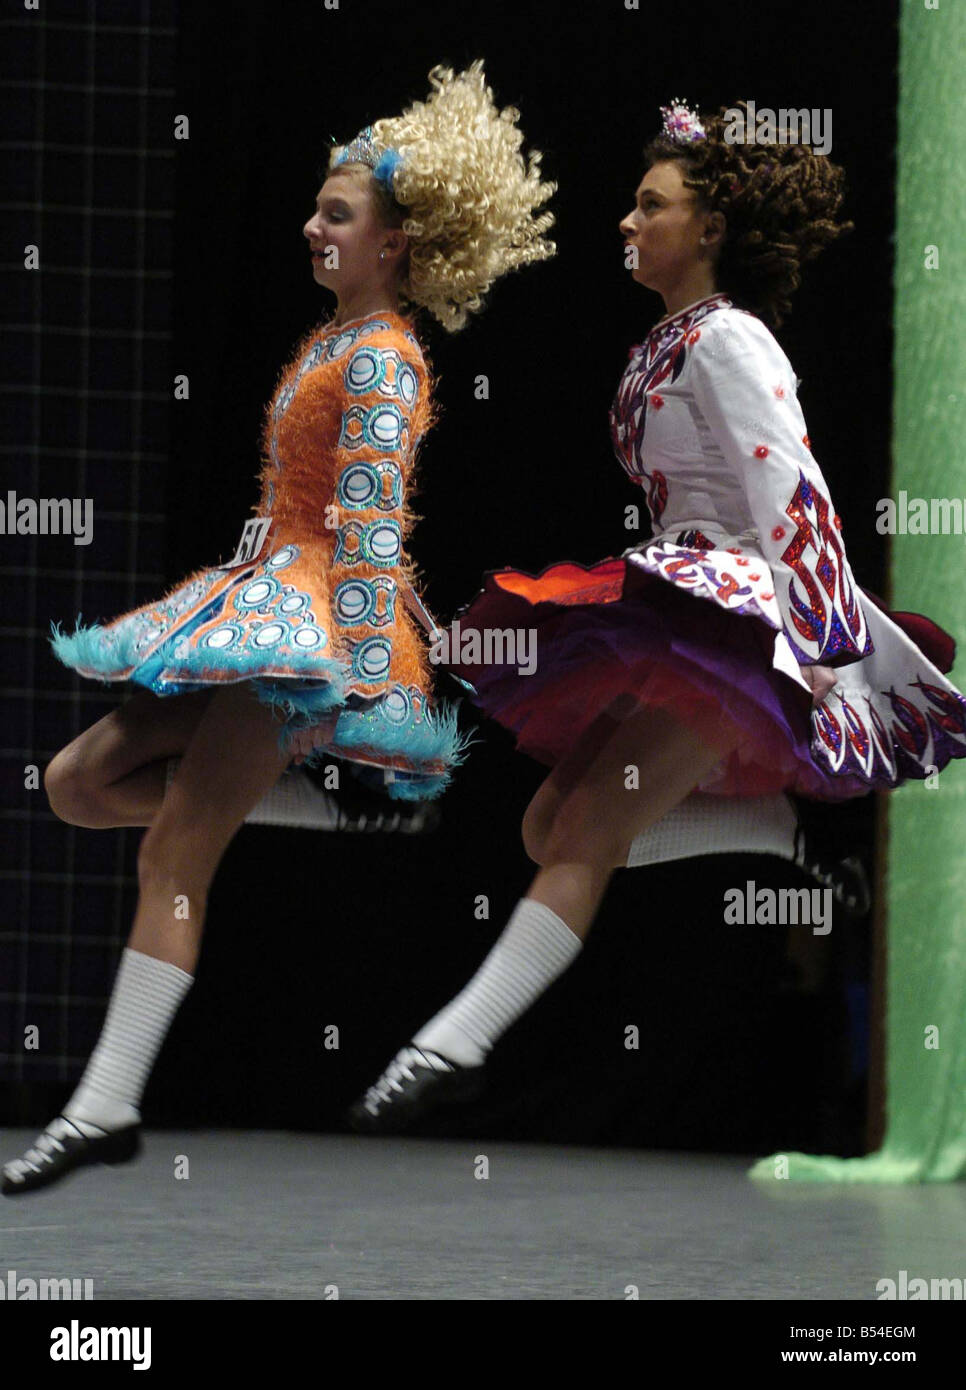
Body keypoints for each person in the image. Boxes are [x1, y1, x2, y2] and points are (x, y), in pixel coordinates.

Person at [348, 98, 966, 1132]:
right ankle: (773, 827)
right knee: (549, 822)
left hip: (742, 628)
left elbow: (793, 487)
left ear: (710, 227)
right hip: (690, 602)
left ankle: (451, 1042)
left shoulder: (730, 338)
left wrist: (816, 648)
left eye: (651, 205)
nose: (627, 223)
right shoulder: (672, 338)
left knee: (584, 828)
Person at [1, 60, 556, 1195]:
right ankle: (348, 818)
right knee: (74, 782)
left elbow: (367, 523)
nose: (312, 225)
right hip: (253, 598)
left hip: (299, 620)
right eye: (315, 208)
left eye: (336, 214)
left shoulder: (388, 357)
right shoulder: (326, 343)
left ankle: (102, 1103)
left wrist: (356, 668)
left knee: (173, 849)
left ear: (394, 243)